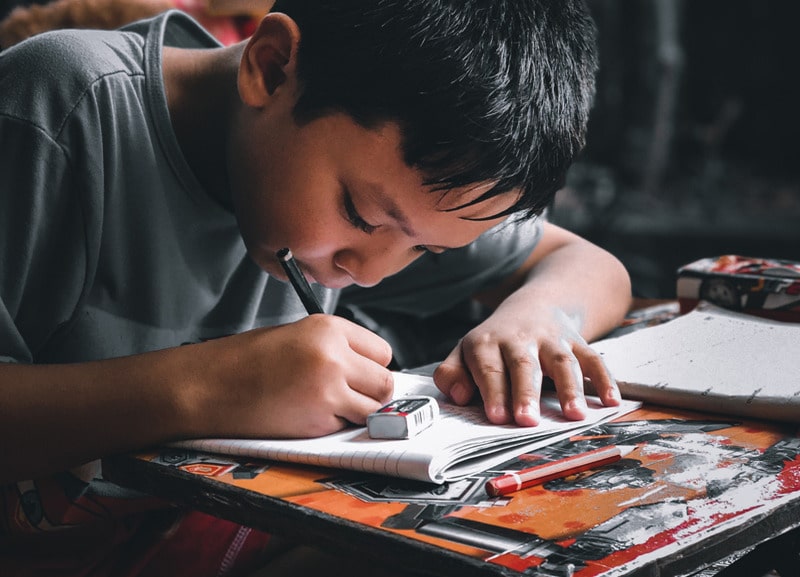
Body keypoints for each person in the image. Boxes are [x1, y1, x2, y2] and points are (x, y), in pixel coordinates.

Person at [0, 0, 631, 575]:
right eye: (359, 214)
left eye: (427, 250)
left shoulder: (398, 175)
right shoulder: (60, 108)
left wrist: (537, 319)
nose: (374, 270)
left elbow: (589, 266)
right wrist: (211, 387)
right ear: (272, 70)